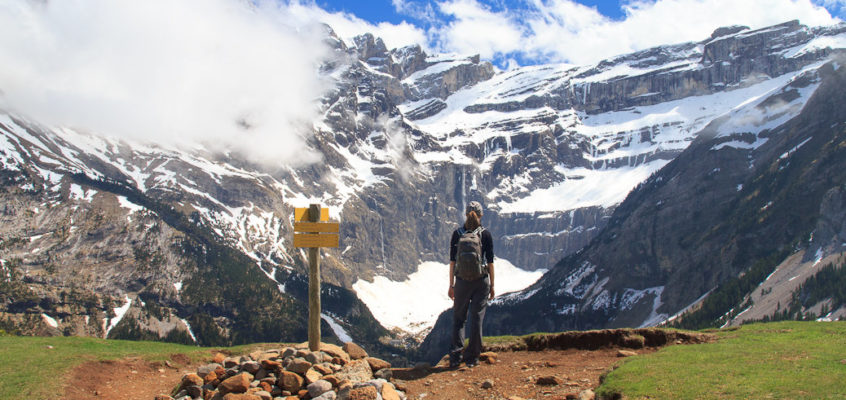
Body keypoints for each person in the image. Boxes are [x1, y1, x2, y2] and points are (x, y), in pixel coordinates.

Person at [448, 201, 495, 368]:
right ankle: (472, 358)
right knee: (477, 318)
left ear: (466, 214)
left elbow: (452, 262)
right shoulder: (485, 234)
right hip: (480, 281)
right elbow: (490, 263)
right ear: (481, 215)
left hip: (461, 281)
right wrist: (492, 285)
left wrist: (451, 285)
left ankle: (455, 357)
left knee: (459, 319)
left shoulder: (457, 234)